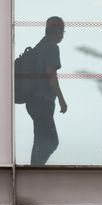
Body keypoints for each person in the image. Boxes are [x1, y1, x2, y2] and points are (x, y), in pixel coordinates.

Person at [25, 16, 68, 165]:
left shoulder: (39, 46)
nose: (63, 35)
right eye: (62, 31)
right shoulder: (52, 47)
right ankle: (35, 171)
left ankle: (34, 170)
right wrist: (61, 99)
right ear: (58, 32)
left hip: (32, 101)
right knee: (50, 141)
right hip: (43, 101)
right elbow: (51, 74)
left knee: (40, 140)